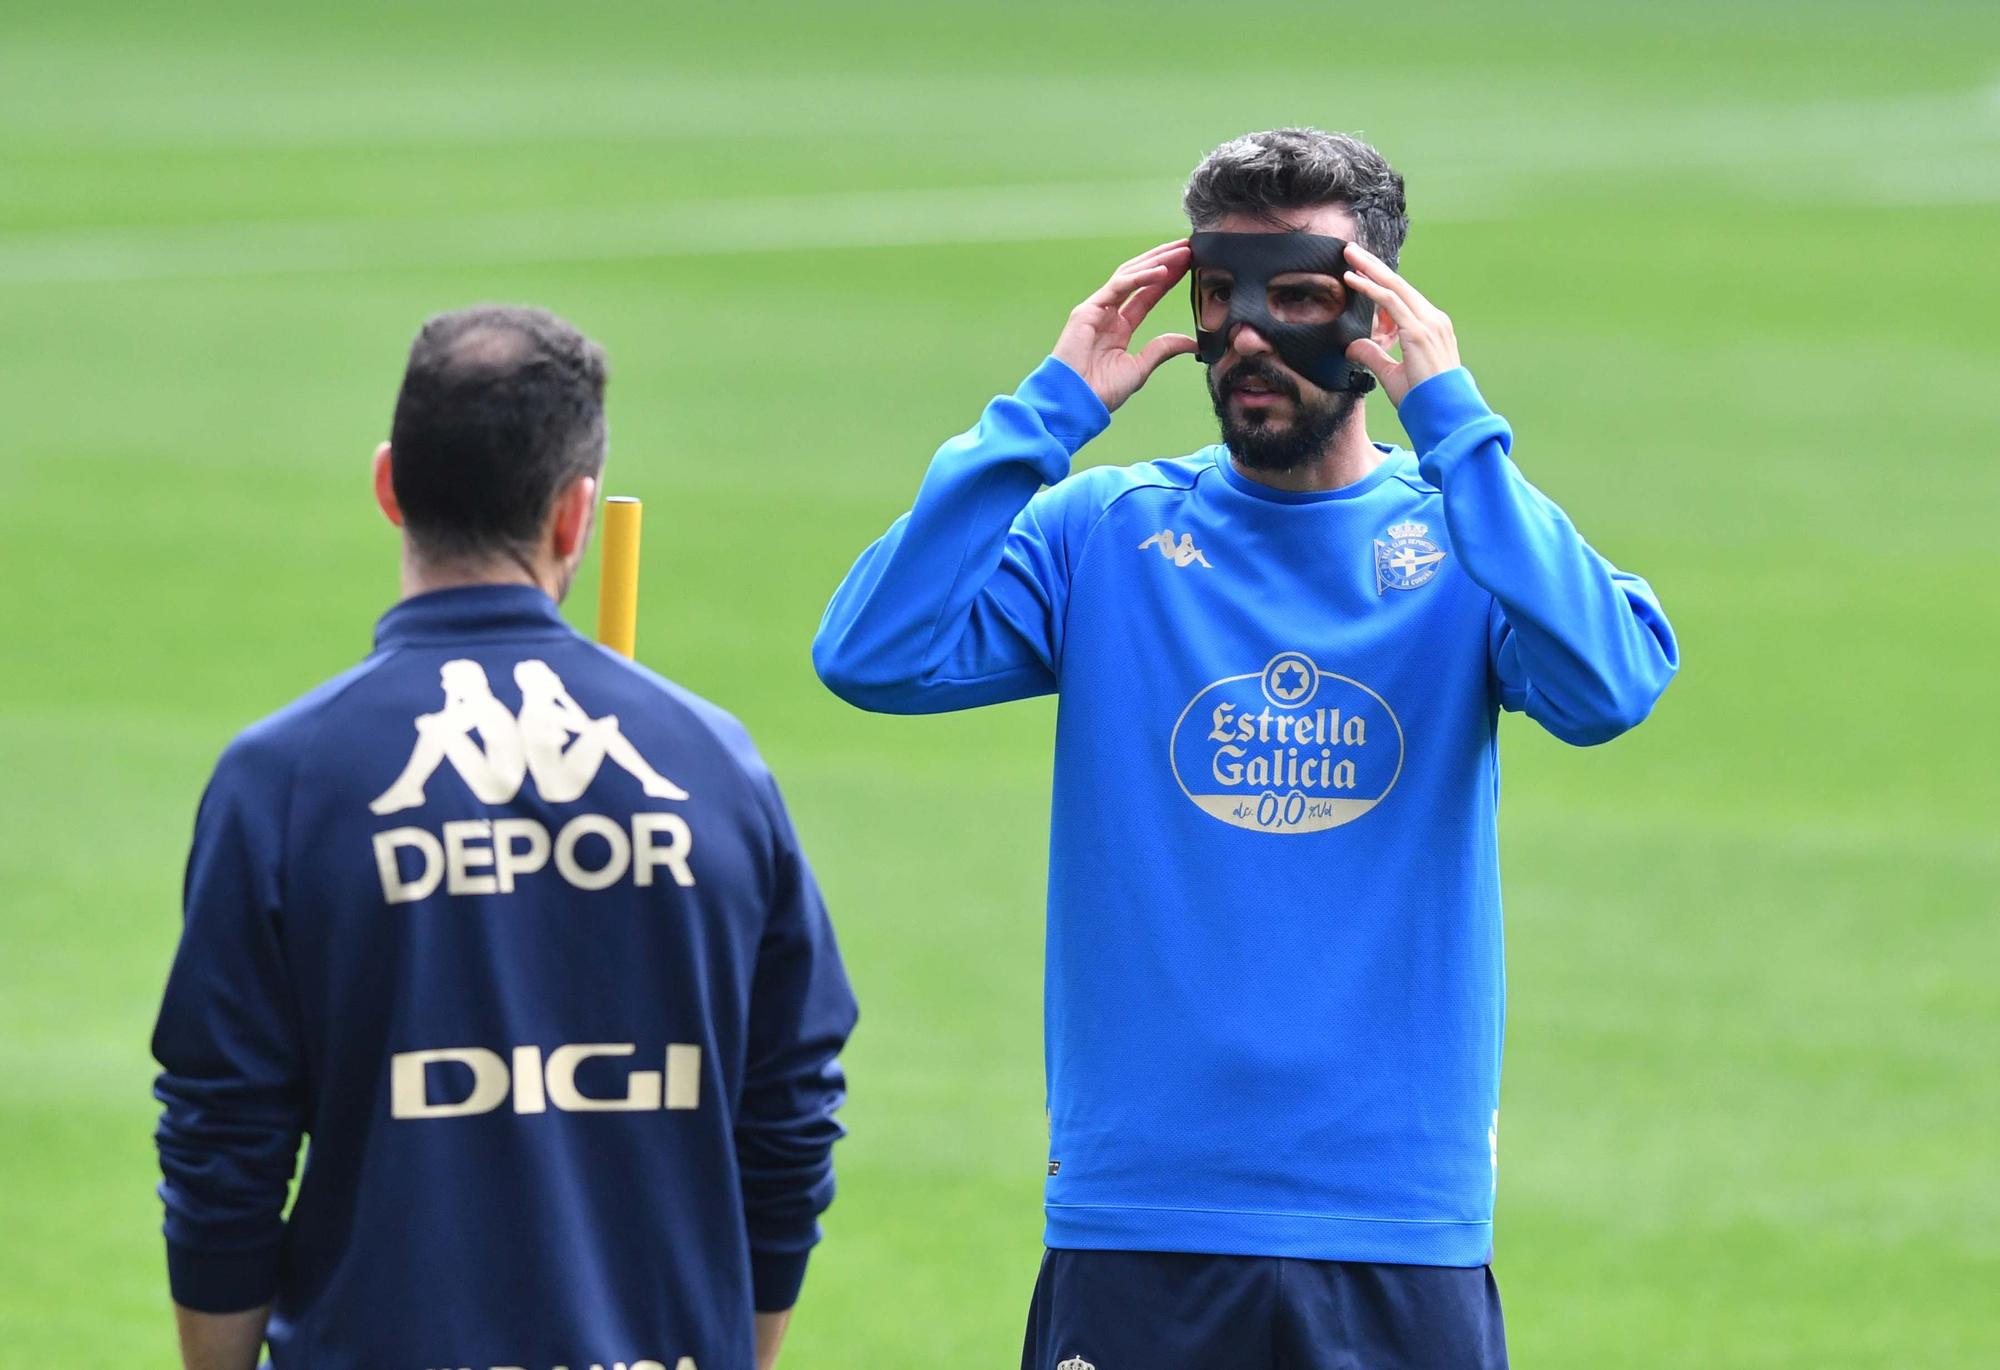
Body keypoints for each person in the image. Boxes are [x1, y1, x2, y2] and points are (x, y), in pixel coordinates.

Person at [813, 128, 1678, 1369]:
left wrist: (1454, 425)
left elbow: (1610, 684)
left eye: (1302, 296)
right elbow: (871, 652)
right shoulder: (1100, 533)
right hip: (1141, 1212)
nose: (1251, 333)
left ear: (1380, 320)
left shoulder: (1469, 540)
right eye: (1221, 295)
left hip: (1393, 1218)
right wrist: (1042, 415)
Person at [152, 305, 856, 1370]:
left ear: (389, 485)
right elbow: (789, 1105)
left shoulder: (283, 775)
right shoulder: (711, 763)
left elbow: (223, 1133)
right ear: (575, 516)